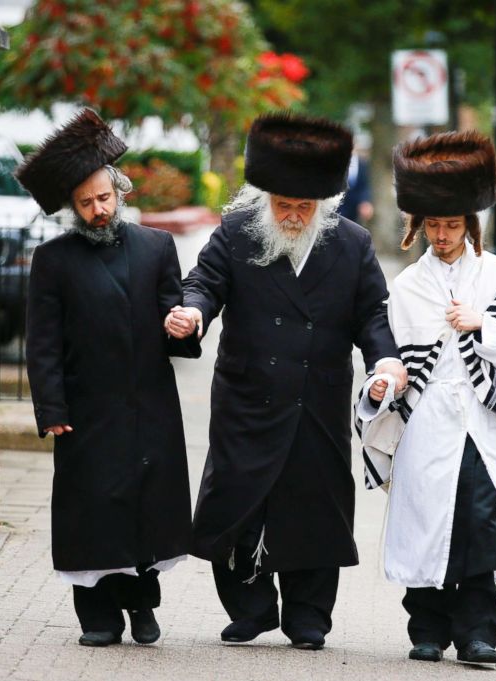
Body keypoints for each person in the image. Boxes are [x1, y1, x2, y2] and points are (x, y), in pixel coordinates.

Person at [164, 111, 406, 650]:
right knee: (237, 501)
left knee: (315, 505)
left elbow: (372, 314)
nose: (293, 216)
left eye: (304, 207)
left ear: (324, 204)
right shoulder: (236, 233)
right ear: (264, 197)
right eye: (283, 205)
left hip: (315, 399)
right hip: (247, 397)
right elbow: (204, 282)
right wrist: (193, 313)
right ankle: (250, 609)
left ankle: (308, 616)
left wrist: (385, 361)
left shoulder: (353, 244)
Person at [355, 130, 496, 665]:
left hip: (482, 420)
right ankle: (427, 630)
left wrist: (484, 324)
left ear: (471, 225)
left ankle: (479, 634)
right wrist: (380, 385)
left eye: (452, 225)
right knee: (424, 521)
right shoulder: (408, 286)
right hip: (425, 421)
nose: (442, 235)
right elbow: (388, 356)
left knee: (479, 520)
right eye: (434, 226)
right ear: (419, 226)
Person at [19, 109, 199, 647]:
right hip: (86, 410)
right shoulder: (53, 260)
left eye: (105, 198)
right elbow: (42, 342)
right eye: (86, 203)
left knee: (146, 508)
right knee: (92, 512)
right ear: (72, 208)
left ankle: (142, 610)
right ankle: (97, 617)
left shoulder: (155, 247)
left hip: (149, 406)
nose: (99, 211)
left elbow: (178, 325)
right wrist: (52, 411)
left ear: (118, 191)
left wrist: (183, 324)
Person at [338, 151, 373, 224]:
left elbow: (364, 186)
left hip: (354, 212)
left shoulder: (362, 164)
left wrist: (365, 202)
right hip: (336, 210)